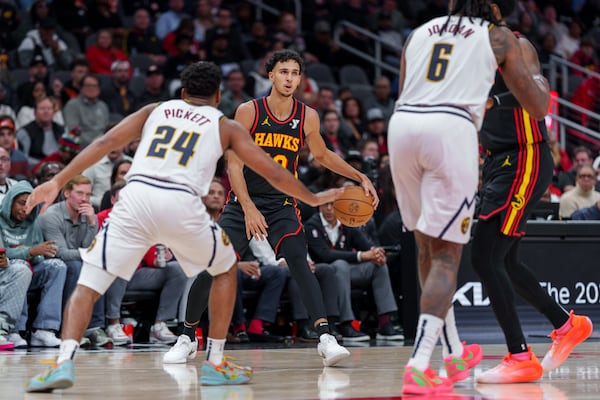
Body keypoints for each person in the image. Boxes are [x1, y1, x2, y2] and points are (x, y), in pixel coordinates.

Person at [25, 61, 342, 392]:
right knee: (224, 268)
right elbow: (273, 172)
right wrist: (314, 197)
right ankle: (215, 361)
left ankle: (62, 361)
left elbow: (103, 143)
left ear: (182, 93)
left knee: (88, 284)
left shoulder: (155, 109)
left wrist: (58, 180)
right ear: (219, 96)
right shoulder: (225, 125)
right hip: (181, 204)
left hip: (134, 200)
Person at [387, 0, 552, 395]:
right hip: (450, 129)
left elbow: (408, 86)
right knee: (448, 256)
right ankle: (418, 364)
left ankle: (453, 352)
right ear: (494, 7)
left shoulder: (419, 33)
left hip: (402, 126)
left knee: (425, 247)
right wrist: (534, 82)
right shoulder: (497, 37)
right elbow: (539, 105)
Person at [217, 49, 378, 367]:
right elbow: (232, 165)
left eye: (295, 73)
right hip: (243, 200)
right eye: (283, 72)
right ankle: (186, 335)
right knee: (216, 264)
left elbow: (324, 155)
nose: (289, 78)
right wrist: (248, 207)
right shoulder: (249, 111)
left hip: (281, 203)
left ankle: (326, 338)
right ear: (271, 74)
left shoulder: (308, 116)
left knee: (300, 262)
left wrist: (359, 175)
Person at [472, 2, 594, 385]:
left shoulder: (516, 43)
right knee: (504, 261)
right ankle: (567, 324)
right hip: (497, 161)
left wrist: (494, 100)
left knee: (484, 255)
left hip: (522, 157)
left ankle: (519, 355)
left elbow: (538, 93)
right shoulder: (473, 48)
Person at [305, 196, 403, 342]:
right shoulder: (312, 225)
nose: (330, 209)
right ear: (319, 206)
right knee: (340, 265)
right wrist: (361, 255)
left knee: (378, 266)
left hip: (347, 272)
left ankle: (385, 322)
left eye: (333, 204)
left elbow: (366, 245)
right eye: (326, 205)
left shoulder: (346, 222)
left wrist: (376, 254)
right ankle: (346, 324)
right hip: (325, 274)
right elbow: (325, 255)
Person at [39, 175, 112, 348]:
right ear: (66, 193)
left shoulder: (88, 213)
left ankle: (94, 327)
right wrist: (89, 254)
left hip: (76, 262)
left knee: (98, 267)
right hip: (51, 264)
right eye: (80, 193)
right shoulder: (51, 216)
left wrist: (93, 222)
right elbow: (61, 253)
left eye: (88, 194)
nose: (85, 199)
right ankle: (69, 327)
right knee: (75, 265)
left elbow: (89, 247)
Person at [0, 181, 67, 348]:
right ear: (10, 201)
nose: (25, 209)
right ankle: (14, 330)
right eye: (21, 203)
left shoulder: (32, 222)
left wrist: (36, 252)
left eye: (30, 205)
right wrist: (27, 251)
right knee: (19, 265)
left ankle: (45, 329)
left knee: (57, 266)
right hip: (9, 271)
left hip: (27, 269)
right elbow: (2, 255)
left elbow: (38, 258)